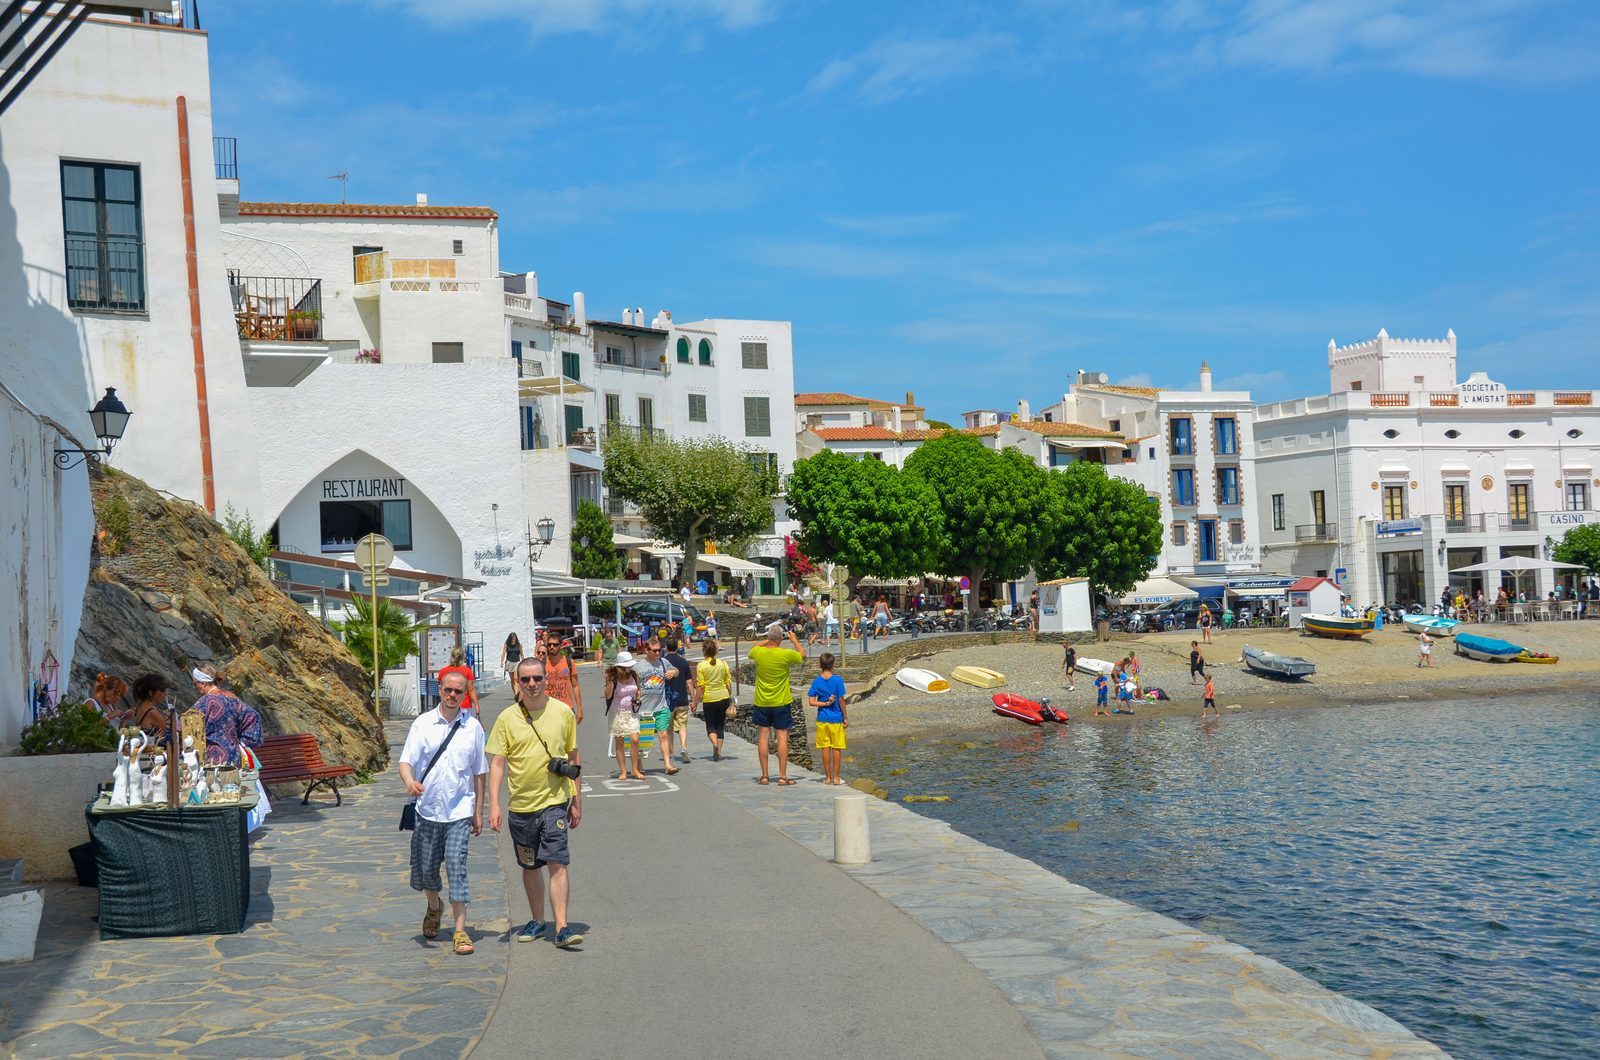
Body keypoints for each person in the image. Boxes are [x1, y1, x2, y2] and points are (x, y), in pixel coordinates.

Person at [488, 656, 584, 949]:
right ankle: (538, 919)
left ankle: (563, 926)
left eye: (537, 678)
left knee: (557, 862)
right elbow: (498, 764)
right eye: (525, 679)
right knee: (530, 866)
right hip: (520, 807)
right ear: (518, 681)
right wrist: (493, 804)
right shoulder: (506, 718)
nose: (531, 684)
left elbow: (573, 759)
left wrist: (577, 800)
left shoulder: (563, 713)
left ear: (546, 679)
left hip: (554, 803)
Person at [399, 670, 487, 956]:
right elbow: (405, 762)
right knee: (425, 872)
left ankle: (460, 930)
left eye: (458, 692)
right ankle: (434, 906)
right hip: (427, 810)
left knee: (456, 868)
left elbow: (479, 771)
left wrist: (478, 811)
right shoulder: (423, 724)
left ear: (465, 694)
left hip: (459, 810)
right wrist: (410, 782)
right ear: (440, 689)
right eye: (448, 690)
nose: (452, 696)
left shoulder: (472, 727)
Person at [748, 621, 804, 785]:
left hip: (762, 701)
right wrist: (794, 640)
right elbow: (802, 654)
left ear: (768, 637)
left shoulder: (758, 653)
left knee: (763, 738)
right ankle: (782, 776)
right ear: (781, 639)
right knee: (782, 738)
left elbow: (755, 648)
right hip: (781, 701)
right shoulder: (785, 654)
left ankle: (765, 776)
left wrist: (769, 639)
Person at [190, 667, 263, 767]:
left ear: (203, 683)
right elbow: (253, 716)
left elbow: (184, 725)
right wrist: (243, 741)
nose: (195, 687)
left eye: (195, 683)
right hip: (235, 757)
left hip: (214, 759)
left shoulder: (204, 702)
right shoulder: (231, 697)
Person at [633, 638, 680, 776]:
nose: (658, 653)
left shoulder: (663, 662)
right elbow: (634, 684)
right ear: (646, 650)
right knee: (642, 738)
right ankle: (639, 763)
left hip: (661, 707)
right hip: (644, 709)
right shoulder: (638, 666)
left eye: (660, 650)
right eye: (654, 651)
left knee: (663, 735)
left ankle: (667, 764)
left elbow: (676, 670)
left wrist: (673, 672)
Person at [808, 652, 847, 786]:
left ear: (820, 665)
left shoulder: (816, 681)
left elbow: (811, 702)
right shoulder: (837, 680)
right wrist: (845, 717)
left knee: (825, 747)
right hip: (836, 718)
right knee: (836, 747)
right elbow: (841, 700)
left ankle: (827, 778)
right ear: (833, 665)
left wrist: (824, 704)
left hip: (822, 718)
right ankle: (836, 778)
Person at [603, 653, 643, 780]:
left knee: (635, 739)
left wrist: (637, 698)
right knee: (619, 741)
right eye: (628, 665)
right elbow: (608, 695)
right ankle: (623, 771)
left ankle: (635, 769)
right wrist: (609, 682)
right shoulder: (613, 678)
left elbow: (638, 690)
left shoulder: (634, 674)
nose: (630, 667)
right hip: (617, 712)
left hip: (632, 712)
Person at [695, 639, 734, 762]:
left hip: (709, 699)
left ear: (704, 651)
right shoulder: (723, 664)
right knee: (720, 725)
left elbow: (701, 687)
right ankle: (719, 751)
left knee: (710, 725)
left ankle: (714, 744)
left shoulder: (701, 666)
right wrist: (729, 695)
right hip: (723, 697)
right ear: (716, 651)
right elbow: (728, 684)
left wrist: (695, 702)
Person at [662, 634, 693, 765]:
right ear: (677, 647)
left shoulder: (662, 662)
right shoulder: (683, 662)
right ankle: (684, 748)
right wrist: (693, 699)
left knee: (669, 728)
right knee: (682, 726)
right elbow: (690, 682)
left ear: (666, 647)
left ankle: (670, 753)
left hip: (667, 699)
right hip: (682, 699)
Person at [540, 638, 583, 725]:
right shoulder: (541, 664)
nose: (552, 647)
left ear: (561, 645)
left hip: (566, 709)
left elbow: (575, 686)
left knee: (567, 738)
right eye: (549, 644)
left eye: (555, 644)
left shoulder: (569, 663)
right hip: (547, 709)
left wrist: (579, 708)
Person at [437, 647, 478, 713]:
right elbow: (471, 690)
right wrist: (476, 705)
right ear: (462, 658)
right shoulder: (467, 671)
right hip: (464, 704)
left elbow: (440, 688)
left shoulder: (443, 671)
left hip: (447, 704)